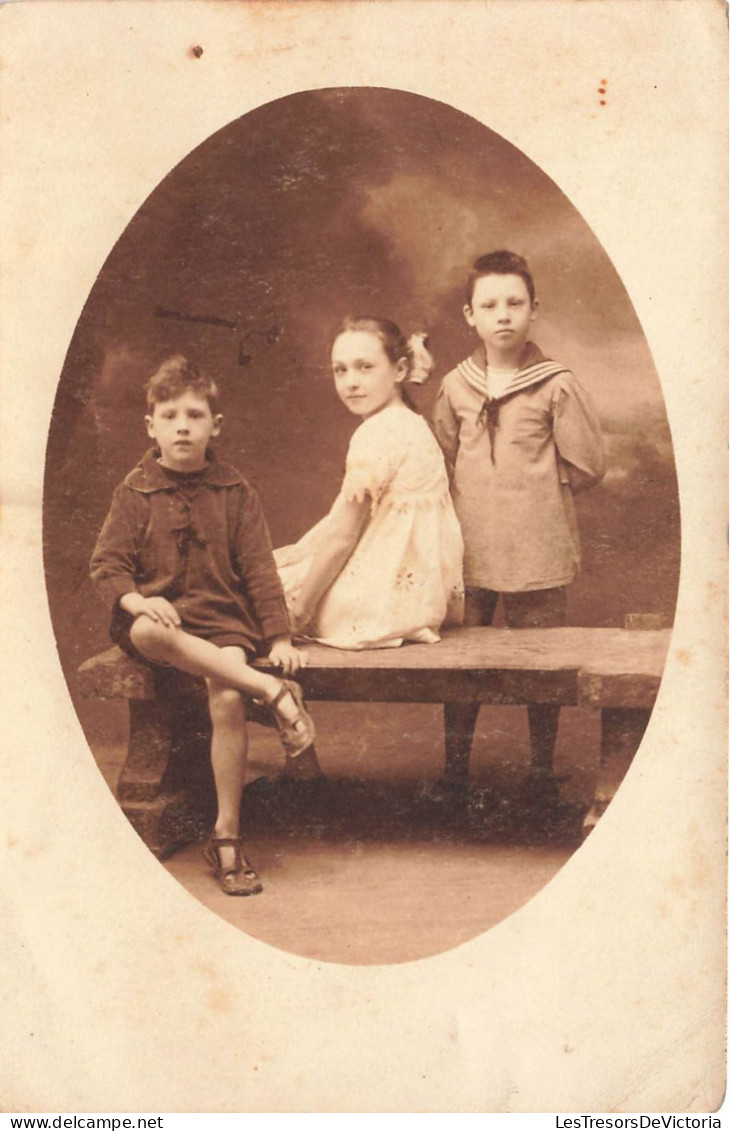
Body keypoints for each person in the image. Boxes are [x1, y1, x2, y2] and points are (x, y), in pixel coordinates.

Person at [90, 355, 321, 897]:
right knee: (145, 634)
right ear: (151, 426)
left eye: (195, 415)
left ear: (215, 426)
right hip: (160, 621)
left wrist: (279, 636)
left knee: (226, 697)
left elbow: (260, 568)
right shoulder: (135, 491)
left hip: (221, 623)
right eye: (169, 416)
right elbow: (108, 564)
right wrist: (135, 600)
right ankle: (273, 691)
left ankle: (227, 837)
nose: (182, 426)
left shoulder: (235, 491)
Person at [433, 250, 605, 801]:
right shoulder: (456, 387)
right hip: (471, 550)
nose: (502, 314)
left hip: (536, 548)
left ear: (534, 310)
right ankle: (454, 770)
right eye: (490, 304)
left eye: (514, 302)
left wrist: (534, 495)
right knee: (460, 666)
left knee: (543, 666)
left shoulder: (555, 384)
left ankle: (540, 770)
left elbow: (588, 464)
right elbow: (437, 458)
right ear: (470, 315)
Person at [275, 316, 464, 650]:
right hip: (418, 602)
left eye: (365, 367)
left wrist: (299, 614)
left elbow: (342, 536)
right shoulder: (411, 423)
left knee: (251, 596)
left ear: (400, 370)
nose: (351, 382)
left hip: (371, 606)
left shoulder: (377, 433)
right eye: (340, 370)